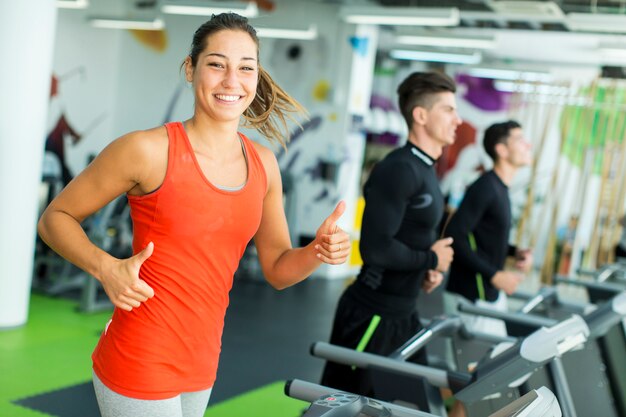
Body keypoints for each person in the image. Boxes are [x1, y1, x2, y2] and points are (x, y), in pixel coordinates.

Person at [37, 13, 351, 417]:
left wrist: (317, 252)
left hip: (202, 362)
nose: (231, 81)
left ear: (256, 77)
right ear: (191, 68)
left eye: (245, 68)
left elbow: (275, 268)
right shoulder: (147, 150)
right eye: (216, 64)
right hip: (141, 355)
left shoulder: (264, 164)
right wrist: (106, 267)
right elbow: (55, 217)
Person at [320, 71, 460, 397]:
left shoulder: (425, 169)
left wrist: (424, 269)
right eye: (449, 110)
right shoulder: (398, 169)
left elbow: (408, 234)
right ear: (421, 115)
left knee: (415, 404)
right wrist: (431, 257)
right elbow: (376, 249)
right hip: (372, 314)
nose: (457, 119)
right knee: (342, 406)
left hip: (404, 313)